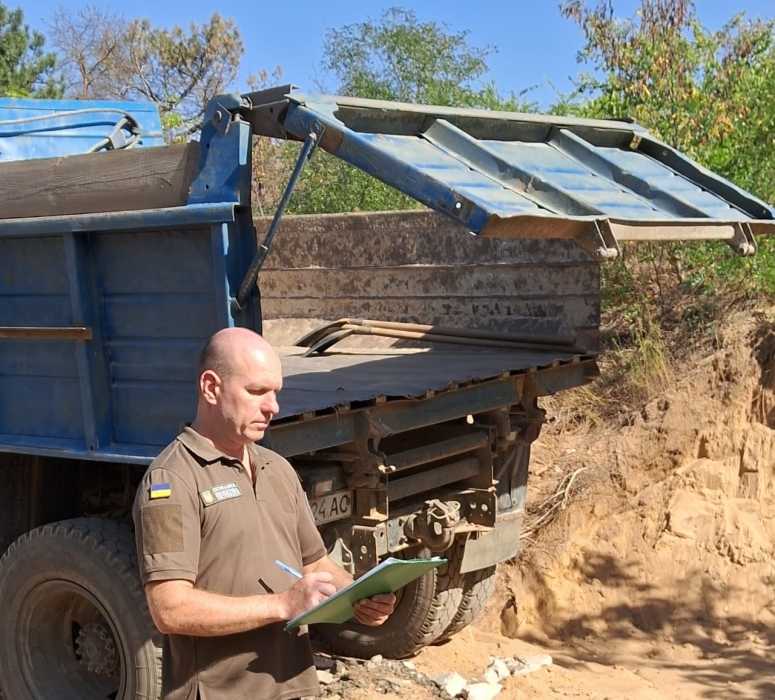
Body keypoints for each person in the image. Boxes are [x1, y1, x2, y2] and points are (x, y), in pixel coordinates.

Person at [132, 327, 396, 700]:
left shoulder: (277, 468)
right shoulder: (173, 479)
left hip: (291, 686)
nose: (272, 406)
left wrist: (358, 596)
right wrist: (281, 604)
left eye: (276, 393)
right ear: (211, 387)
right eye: (256, 391)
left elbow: (315, 565)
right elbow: (169, 609)